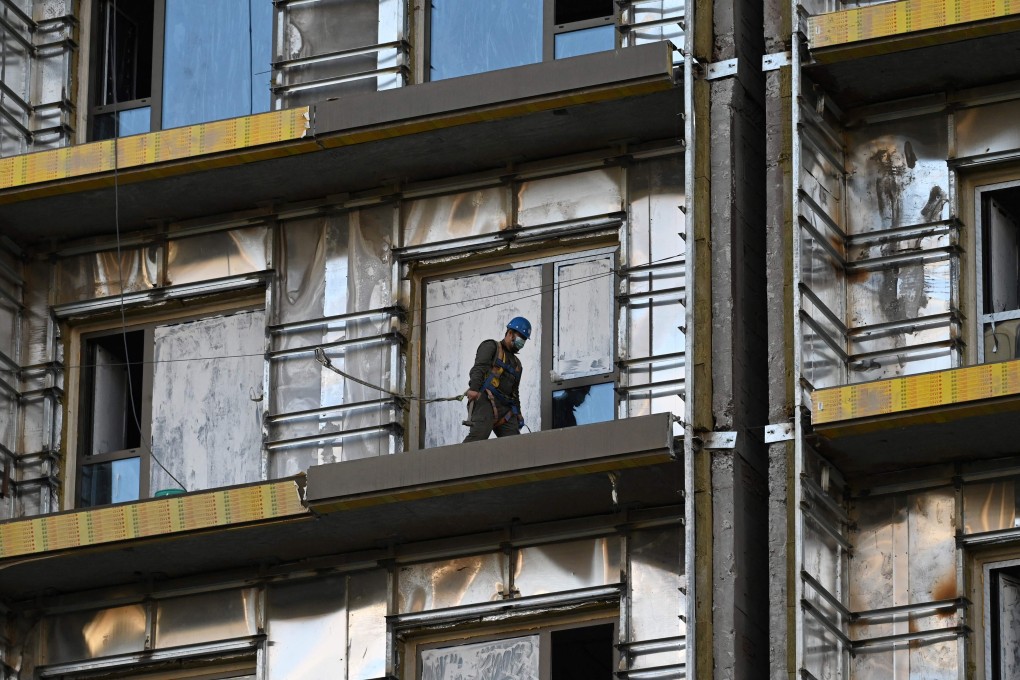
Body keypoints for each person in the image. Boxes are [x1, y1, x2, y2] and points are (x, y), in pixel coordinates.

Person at [463, 317, 531, 442]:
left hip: (506, 408)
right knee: (479, 436)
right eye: (521, 337)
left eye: (524, 339)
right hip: (486, 399)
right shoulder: (491, 346)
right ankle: (459, 460)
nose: (522, 342)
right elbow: (479, 368)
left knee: (515, 445)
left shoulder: (517, 365)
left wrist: (518, 413)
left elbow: (515, 392)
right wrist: (474, 389)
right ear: (510, 333)